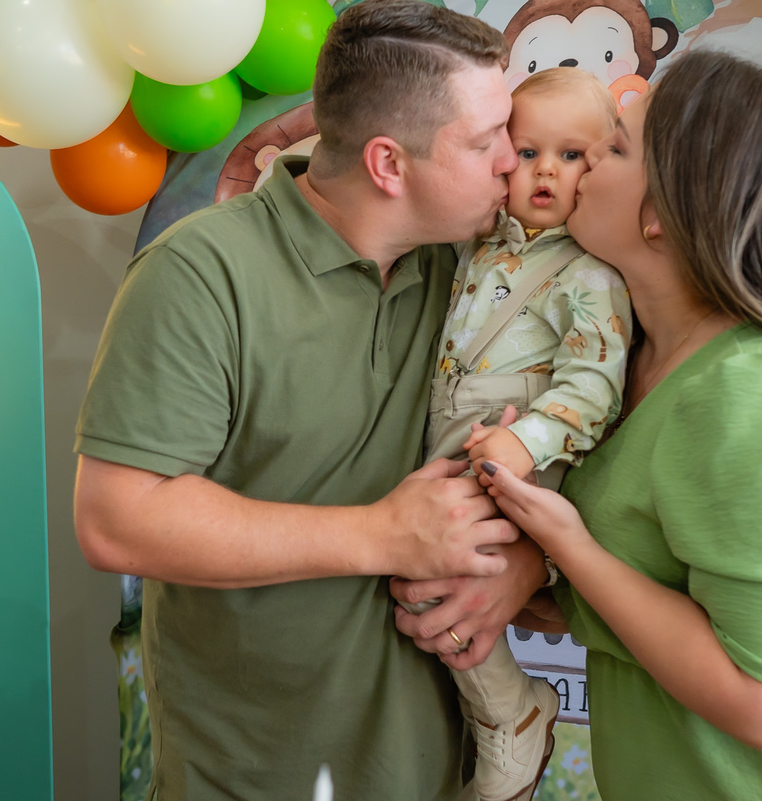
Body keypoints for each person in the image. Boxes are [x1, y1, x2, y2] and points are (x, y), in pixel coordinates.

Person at [438, 50, 762, 799]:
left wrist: (568, 546)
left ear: (661, 214)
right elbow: (663, 595)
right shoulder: (625, 363)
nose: (573, 167)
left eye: (610, 149)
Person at [73, 2, 542, 799]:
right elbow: (117, 518)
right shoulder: (198, 273)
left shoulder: (476, 266)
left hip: (436, 768)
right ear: (389, 166)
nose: (512, 160)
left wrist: (523, 568)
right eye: (484, 139)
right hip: (254, 773)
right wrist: (380, 534)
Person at [401, 67, 632, 801]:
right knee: (419, 582)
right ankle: (501, 711)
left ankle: (514, 714)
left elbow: (594, 386)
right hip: (457, 435)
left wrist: (524, 443)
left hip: (518, 455)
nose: (545, 172)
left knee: (432, 588)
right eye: (527, 152)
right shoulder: (477, 243)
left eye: (572, 156)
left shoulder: (590, 274)